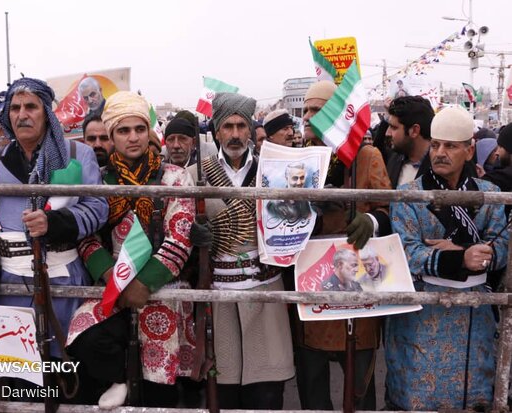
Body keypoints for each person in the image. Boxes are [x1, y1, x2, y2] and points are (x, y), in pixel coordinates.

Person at [0, 78, 108, 365]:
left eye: (31, 106)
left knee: (63, 365)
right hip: (7, 283)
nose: (22, 114)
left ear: (47, 113)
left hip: (63, 277)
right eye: (15, 108)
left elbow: (97, 207)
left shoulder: (80, 154)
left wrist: (53, 223)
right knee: (16, 368)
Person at [66, 91, 196, 409]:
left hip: (161, 287)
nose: (133, 137)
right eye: (123, 131)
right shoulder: (100, 180)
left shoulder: (173, 177)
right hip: (112, 285)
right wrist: (110, 274)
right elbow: (87, 235)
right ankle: (118, 379)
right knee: (85, 339)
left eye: (139, 129)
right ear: (112, 136)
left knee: (158, 387)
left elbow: (180, 238)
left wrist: (143, 283)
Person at [387, 106, 508, 410]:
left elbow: (503, 245)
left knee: (474, 398)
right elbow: (408, 251)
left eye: (451, 146)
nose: (440, 152)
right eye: (436, 145)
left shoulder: (490, 194)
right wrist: (465, 256)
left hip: (475, 315)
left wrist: (462, 249)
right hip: (422, 316)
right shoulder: (408, 195)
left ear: (469, 151)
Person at [188, 92, 294, 410]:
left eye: (241, 126)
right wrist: (195, 238)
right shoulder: (196, 176)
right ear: (217, 130)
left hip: (265, 294)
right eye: (228, 126)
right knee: (223, 394)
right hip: (218, 295)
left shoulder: (273, 172)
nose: (235, 134)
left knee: (266, 395)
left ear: (250, 129)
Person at [296, 80, 390, 410]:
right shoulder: (300, 159)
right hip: (313, 287)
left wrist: (371, 221)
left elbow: (389, 210)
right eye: (305, 109)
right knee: (313, 388)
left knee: (360, 390)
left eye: (317, 110)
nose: (308, 116)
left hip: (356, 290)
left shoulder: (366, 156)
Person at [385, 96, 435, 188]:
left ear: (414, 131)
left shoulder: (440, 166)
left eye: (394, 127)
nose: (387, 133)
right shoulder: (393, 159)